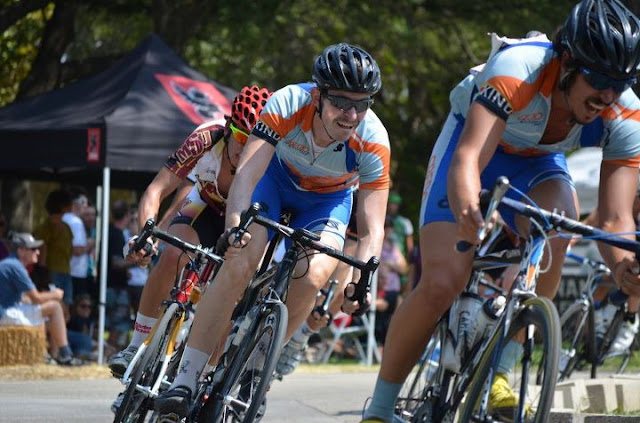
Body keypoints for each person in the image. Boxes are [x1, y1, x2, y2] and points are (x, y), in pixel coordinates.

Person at [361, 1, 640, 422]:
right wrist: (469, 211)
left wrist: (623, 268)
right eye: (599, 79)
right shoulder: (518, 68)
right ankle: (380, 410)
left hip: (537, 163)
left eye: (621, 83)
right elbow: (468, 159)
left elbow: (616, 219)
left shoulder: (626, 112)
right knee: (443, 281)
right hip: (474, 148)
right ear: (566, 61)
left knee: (558, 224)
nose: (607, 95)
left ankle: (502, 374)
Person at [153, 43, 390, 419]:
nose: (351, 115)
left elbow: (372, 229)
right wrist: (234, 227)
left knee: (313, 276)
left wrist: (361, 283)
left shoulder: (374, 139)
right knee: (240, 260)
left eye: (362, 104)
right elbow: (247, 174)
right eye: (342, 102)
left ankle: (256, 371)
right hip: (273, 182)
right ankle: (185, 378)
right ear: (317, 96)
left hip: (327, 202)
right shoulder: (287, 103)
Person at [108, 85, 273, 377]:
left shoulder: (273, 159)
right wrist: (145, 236)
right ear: (228, 128)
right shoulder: (206, 138)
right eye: (239, 137)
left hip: (245, 224)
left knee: (232, 296)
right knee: (173, 254)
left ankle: (202, 375)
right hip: (205, 205)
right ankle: (135, 346)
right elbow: (156, 190)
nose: (243, 148)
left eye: (252, 142)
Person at [0, 232, 83, 365]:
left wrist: (43, 298)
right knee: (54, 307)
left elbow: (24, 298)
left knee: (41, 313)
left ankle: (44, 355)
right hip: (5, 313)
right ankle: (65, 355)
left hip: (6, 310)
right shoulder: (15, 267)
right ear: (21, 250)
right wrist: (55, 294)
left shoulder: (10, 264)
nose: (38, 252)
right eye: (33, 249)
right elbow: (36, 298)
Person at [33, 189, 74, 311]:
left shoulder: (66, 227)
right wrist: (43, 273)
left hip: (64, 271)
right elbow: (42, 247)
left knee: (65, 306)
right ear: (62, 205)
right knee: (55, 306)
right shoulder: (47, 226)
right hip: (51, 272)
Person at [106, 200, 133, 350]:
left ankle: (108, 350)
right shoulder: (116, 234)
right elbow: (116, 263)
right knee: (117, 323)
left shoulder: (109, 230)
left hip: (111, 284)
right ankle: (110, 351)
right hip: (115, 287)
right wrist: (136, 261)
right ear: (127, 215)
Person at [62, 191, 95, 299]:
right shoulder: (76, 222)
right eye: (83, 202)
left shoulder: (64, 218)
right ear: (74, 203)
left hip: (68, 271)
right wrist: (90, 244)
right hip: (75, 273)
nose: (86, 206)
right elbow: (76, 250)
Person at [66, 293, 96, 360]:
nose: (87, 309)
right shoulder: (71, 319)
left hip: (87, 348)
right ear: (76, 307)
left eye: (89, 307)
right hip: (72, 348)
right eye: (83, 306)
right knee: (85, 340)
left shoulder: (90, 321)